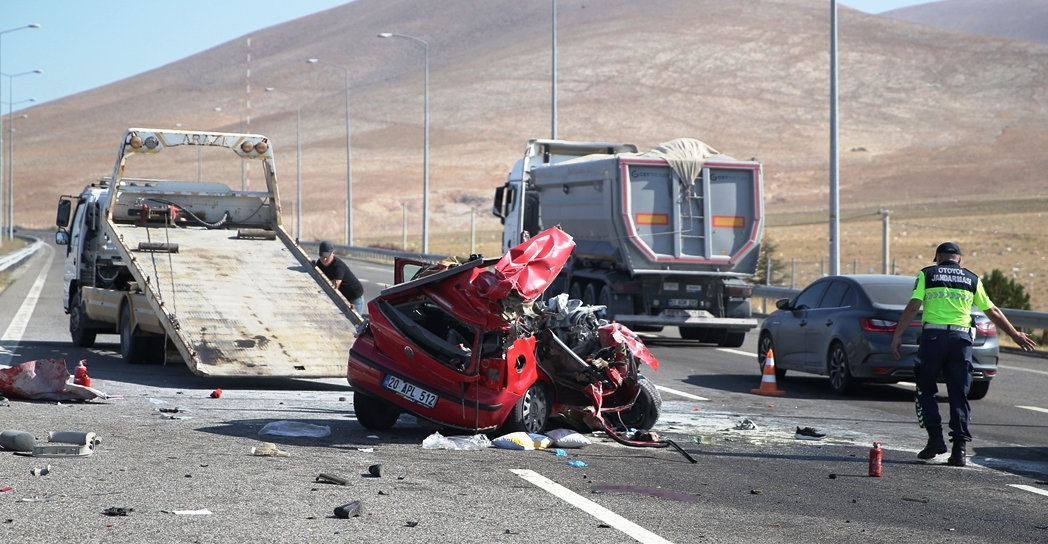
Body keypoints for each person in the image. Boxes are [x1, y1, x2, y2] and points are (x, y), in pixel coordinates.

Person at [891, 241, 1035, 466]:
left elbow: (913, 306)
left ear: (937, 257)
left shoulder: (926, 274)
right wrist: (1015, 334)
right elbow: (992, 311)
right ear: (959, 259)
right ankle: (959, 451)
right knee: (959, 393)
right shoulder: (971, 278)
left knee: (925, 389)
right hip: (961, 342)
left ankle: (935, 440)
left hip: (933, 339)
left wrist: (897, 335)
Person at [314, 241, 365, 315]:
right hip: (343, 295)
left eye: (326, 257)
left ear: (333, 253)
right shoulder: (319, 263)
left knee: (355, 321)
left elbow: (335, 286)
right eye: (322, 256)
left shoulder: (338, 267)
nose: (324, 259)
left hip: (354, 296)